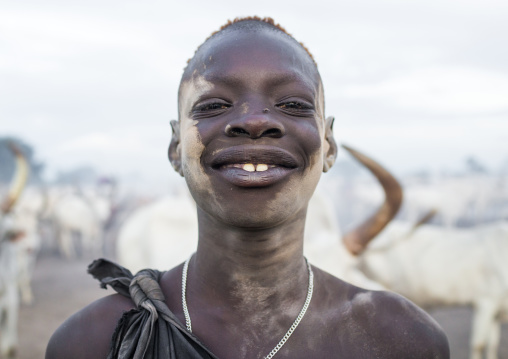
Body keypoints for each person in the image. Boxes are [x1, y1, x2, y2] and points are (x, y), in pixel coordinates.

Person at [46, 17, 450, 359]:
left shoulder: (401, 339)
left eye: (293, 104)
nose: (255, 121)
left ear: (328, 146)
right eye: (213, 105)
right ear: (175, 148)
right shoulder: (93, 341)